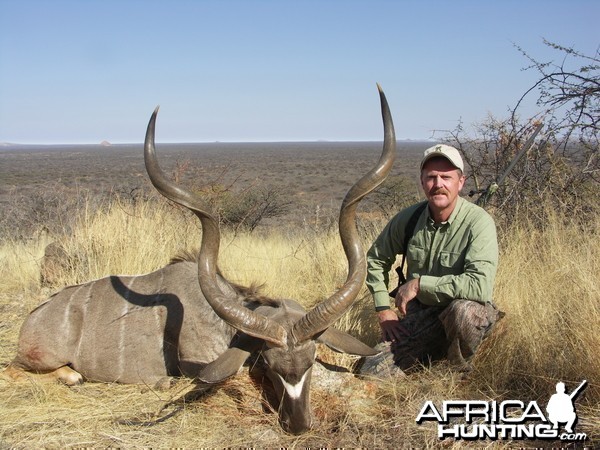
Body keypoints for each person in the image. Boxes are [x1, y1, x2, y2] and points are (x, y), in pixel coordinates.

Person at [360, 144, 503, 376]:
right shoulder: (409, 218)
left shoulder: (479, 222)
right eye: (431, 177)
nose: (438, 184)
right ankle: (431, 354)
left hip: (464, 312)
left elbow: (479, 286)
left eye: (446, 177)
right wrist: (384, 310)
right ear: (422, 181)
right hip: (422, 313)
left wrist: (419, 284)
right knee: (372, 372)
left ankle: (457, 371)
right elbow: (376, 259)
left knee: (463, 313)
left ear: (461, 181)